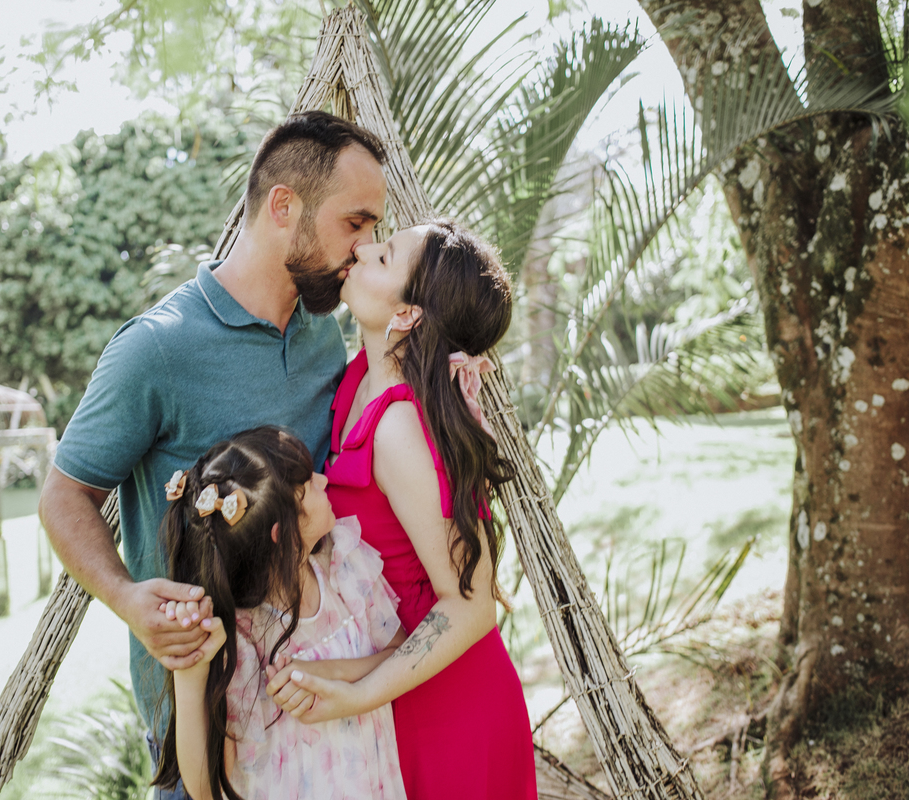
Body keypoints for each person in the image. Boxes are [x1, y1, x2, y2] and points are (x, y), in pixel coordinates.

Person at [38, 110, 388, 797]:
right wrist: (127, 598)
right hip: (205, 734)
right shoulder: (156, 348)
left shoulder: (323, 334)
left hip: (311, 717)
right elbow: (63, 495)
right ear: (284, 207)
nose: (365, 246)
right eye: (355, 222)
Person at [265, 220, 538, 799]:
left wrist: (357, 693)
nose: (363, 249)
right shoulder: (357, 381)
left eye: (384, 256)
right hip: (396, 688)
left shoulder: (399, 429)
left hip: (449, 708)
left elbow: (470, 608)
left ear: (408, 314)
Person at [155, 427, 408, 800]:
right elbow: (207, 788)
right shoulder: (241, 639)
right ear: (283, 534)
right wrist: (189, 672)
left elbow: (401, 652)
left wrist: (332, 673)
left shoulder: (345, 563)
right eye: (309, 485)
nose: (324, 480)